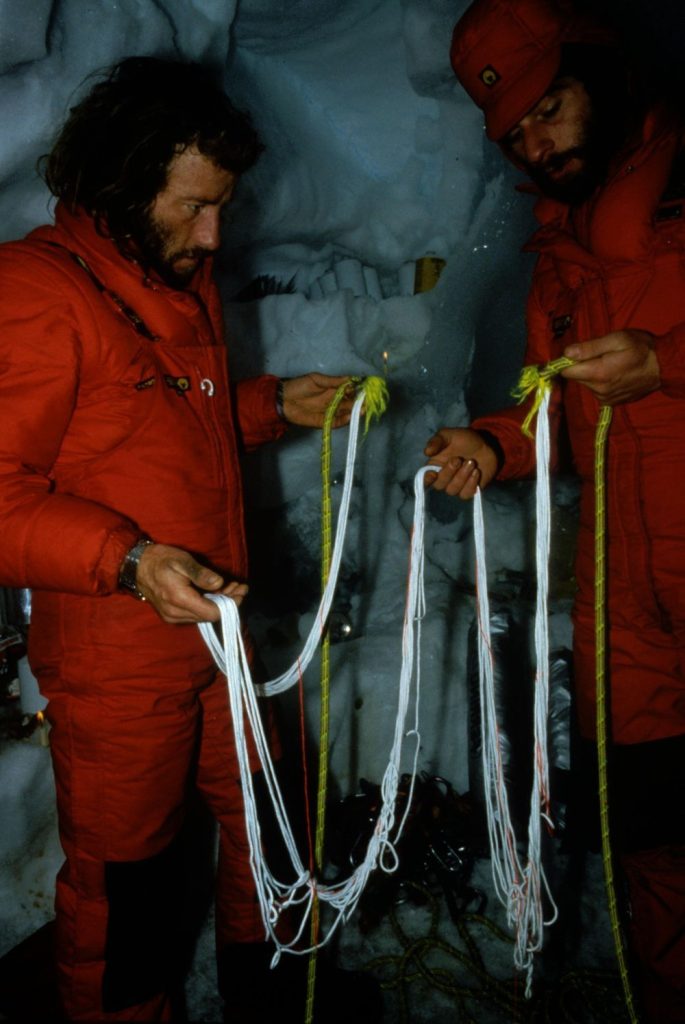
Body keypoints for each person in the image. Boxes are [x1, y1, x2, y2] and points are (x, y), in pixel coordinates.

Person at [0, 56, 379, 1023]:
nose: (213, 234)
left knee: (271, 827)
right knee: (129, 893)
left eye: (223, 206)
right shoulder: (37, 293)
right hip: (121, 660)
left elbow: (154, 425)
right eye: (192, 206)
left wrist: (267, 406)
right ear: (124, 181)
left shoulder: (179, 275)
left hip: (222, 637)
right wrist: (127, 561)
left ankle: (273, 1005)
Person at [425, 0, 685, 1019]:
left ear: (599, 74)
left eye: (551, 108)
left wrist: (668, 364)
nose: (536, 143)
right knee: (651, 820)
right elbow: (558, 411)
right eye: (516, 133)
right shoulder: (557, 258)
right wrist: (495, 441)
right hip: (626, 590)